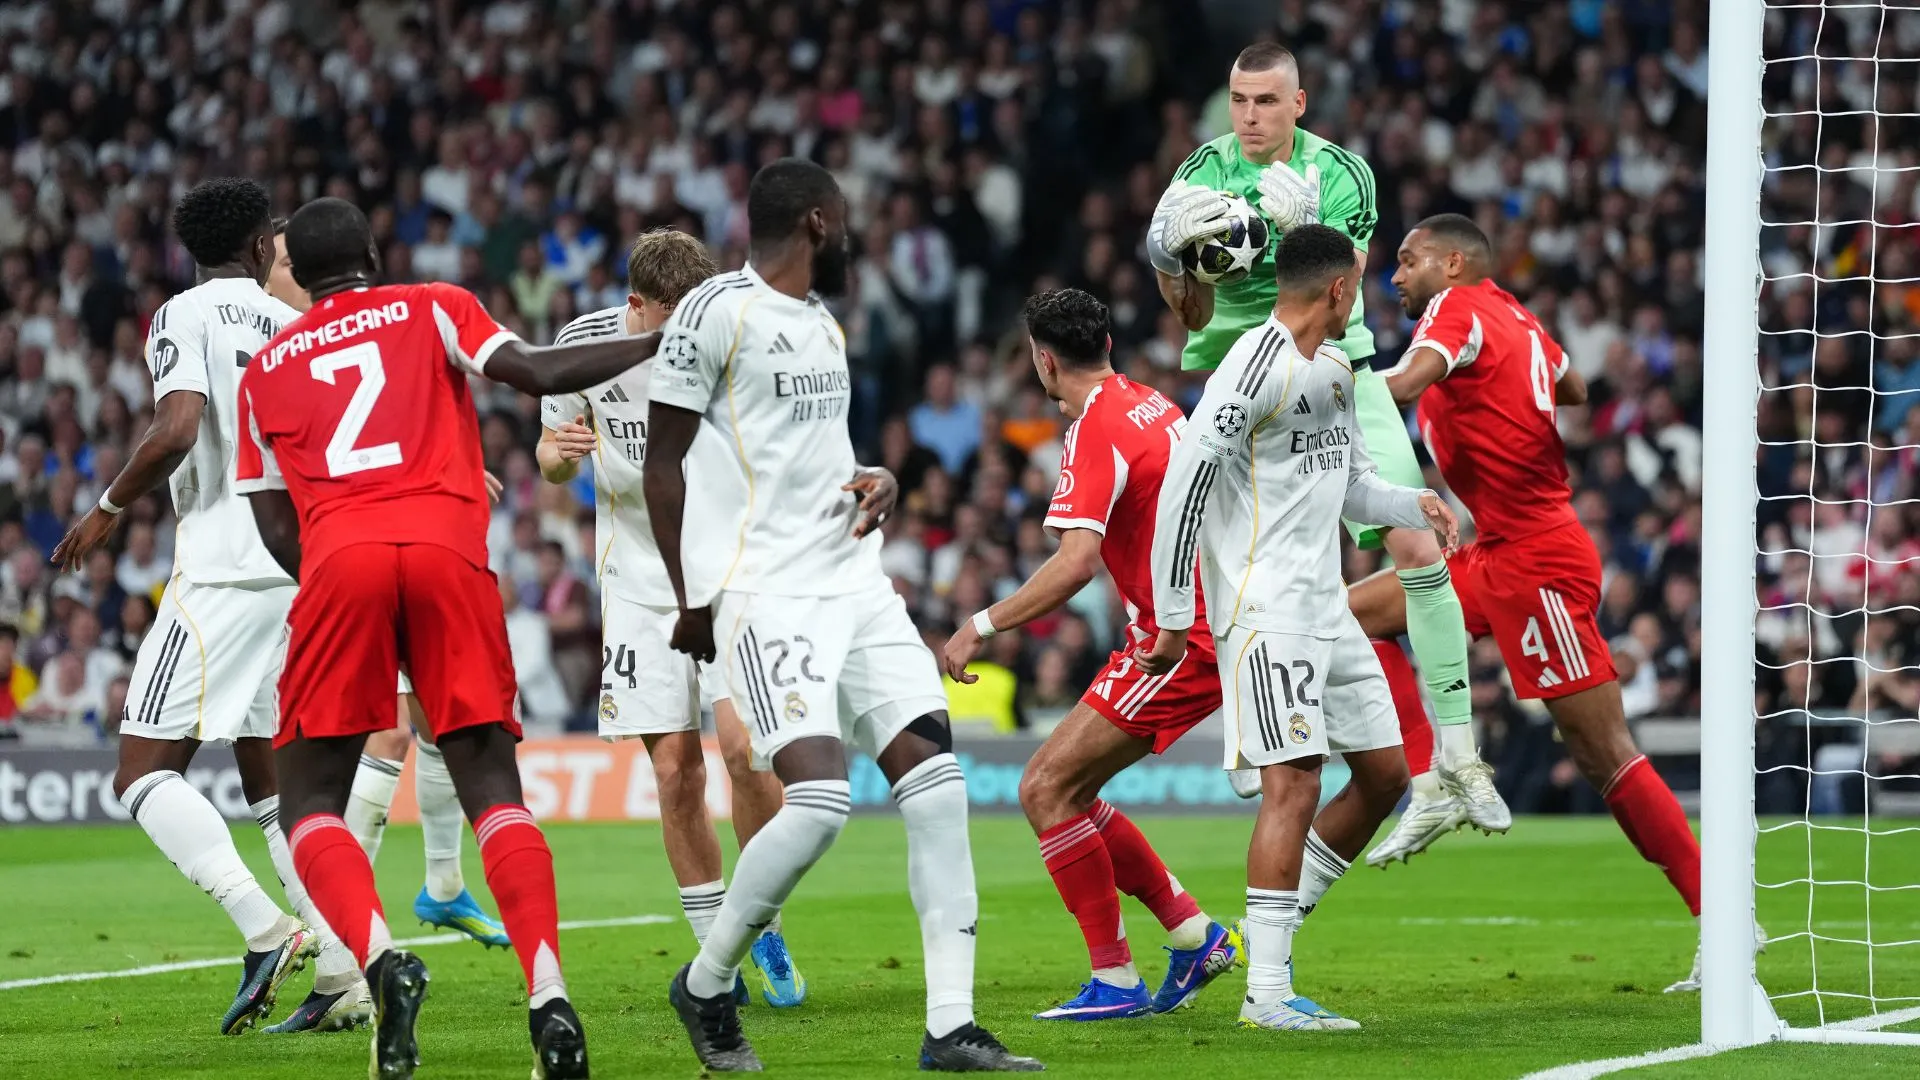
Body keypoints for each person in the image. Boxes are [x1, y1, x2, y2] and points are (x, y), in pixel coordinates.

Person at [233, 196, 663, 1080]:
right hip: (444, 549)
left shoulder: (265, 367)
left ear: (298, 277)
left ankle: (384, 961)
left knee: (310, 797)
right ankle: (548, 994)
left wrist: (335, 566)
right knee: (491, 784)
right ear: (373, 251)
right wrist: (665, 340)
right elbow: (539, 372)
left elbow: (273, 525)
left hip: (338, 559)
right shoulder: (431, 304)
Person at [644, 158, 1041, 1073]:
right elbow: (662, 462)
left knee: (937, 784)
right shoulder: (714, 311)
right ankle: (705, 985)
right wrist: (689, 597)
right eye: (849, 217)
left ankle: (950, 1026)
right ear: (819, 221)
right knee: (820, 804)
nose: (857, 232)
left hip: (855, 584)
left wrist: (880, 474)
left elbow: (812, 451)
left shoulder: (823, 321)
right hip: (768, 593)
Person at [1145, 42, 1507, 848]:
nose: (1250, 118)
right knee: (1239, 563)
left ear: (1298, 103)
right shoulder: (1201, 172)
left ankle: (1456, 761)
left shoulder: (1343, 175)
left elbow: (1340, 304)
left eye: (1267, 102)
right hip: (1237, 377)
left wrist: (1304, 225)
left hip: (1341, 370)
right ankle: (1251, 726)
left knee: (1419, 542)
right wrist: (1172, 259)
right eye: (1240, 101)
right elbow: (1192, 320)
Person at [49, 179, 371, 1036]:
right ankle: (344, 977)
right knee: (273, 787)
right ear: (263, 244)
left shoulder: (182, 316)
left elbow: (179, 426)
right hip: (296, 572)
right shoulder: (296, 326)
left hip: (223, 575)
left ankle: (264, 930)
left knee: (142, 773)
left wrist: (106, 511)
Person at [1366, 213, 1704, 986]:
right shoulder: (1516, 315)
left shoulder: (1451, 311)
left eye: (1409, 261)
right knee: (1359, 617)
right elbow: (1576, 387)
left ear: (1452, 263)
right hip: (1493, 550)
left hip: (1538, 561)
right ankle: (1432, 783)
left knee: (1603, 754)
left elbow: (1408, 382)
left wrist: (1317, 390)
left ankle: (1721, 921)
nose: (1397, 276)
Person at [1144, 224, 1459, 1031]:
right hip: (1268, 609)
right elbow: (1183, 487)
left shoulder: (1335, 368)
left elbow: (1351, 481)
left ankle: (1266, 932)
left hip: (1328, 602)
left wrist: (1409, 503)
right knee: (1295, 784)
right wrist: (1177, 615)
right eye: (1357, 278)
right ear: (1337, 291)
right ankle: (1269, 992)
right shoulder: (1253, 366)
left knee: (1387, 775)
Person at [535, 226, 843, 1007]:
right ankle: (717, 954)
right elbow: (549, 457)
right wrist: (562, 454)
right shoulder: (583, 343)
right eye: (674, 322)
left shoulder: (736, 337)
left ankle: (758, 922)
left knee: (746, 755)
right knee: (676, 769)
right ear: (635, 306)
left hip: (728, 575)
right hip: (637, 584)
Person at [942, 287, 1239, 1021]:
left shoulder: (1095, 429)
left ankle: (1116, 978)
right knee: (1069, 791)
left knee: (1044, 789)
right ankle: (1191, 932)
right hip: (1197, 620)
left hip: (1177, 640)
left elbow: (1076, 563)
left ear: (1045, 361)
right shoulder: (1150, 400)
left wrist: (982, 621)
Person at [257, 218, 514, 1034]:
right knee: (381, 743)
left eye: (287, 257)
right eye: (274, 257)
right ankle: (351, 949)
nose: (278, 267)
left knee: (411, 731)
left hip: (351, 550)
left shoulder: (300, 328)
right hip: (319, 551)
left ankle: (409, 911)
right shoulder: (281, 330)